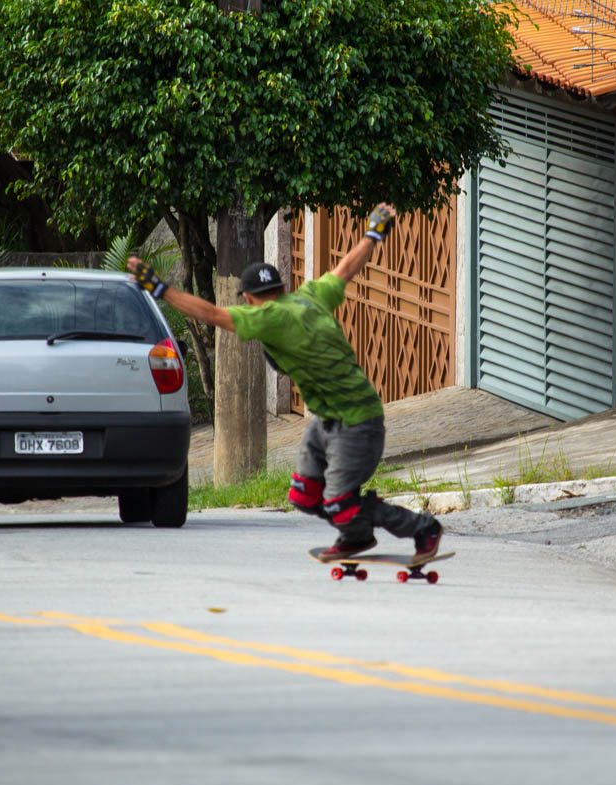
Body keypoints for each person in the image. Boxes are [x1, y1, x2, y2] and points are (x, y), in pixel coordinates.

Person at [126, 204, 442, 562]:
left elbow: (212, 315)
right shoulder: (310, 296)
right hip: (327, 421)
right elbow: (346, 268)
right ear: (281, 286)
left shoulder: (266, 318)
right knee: (304, 494)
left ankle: (420, 527)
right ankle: (355, 535)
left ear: (248, 298)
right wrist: (374, 232)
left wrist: (159, 288)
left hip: (356, 422)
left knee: (338, 502)